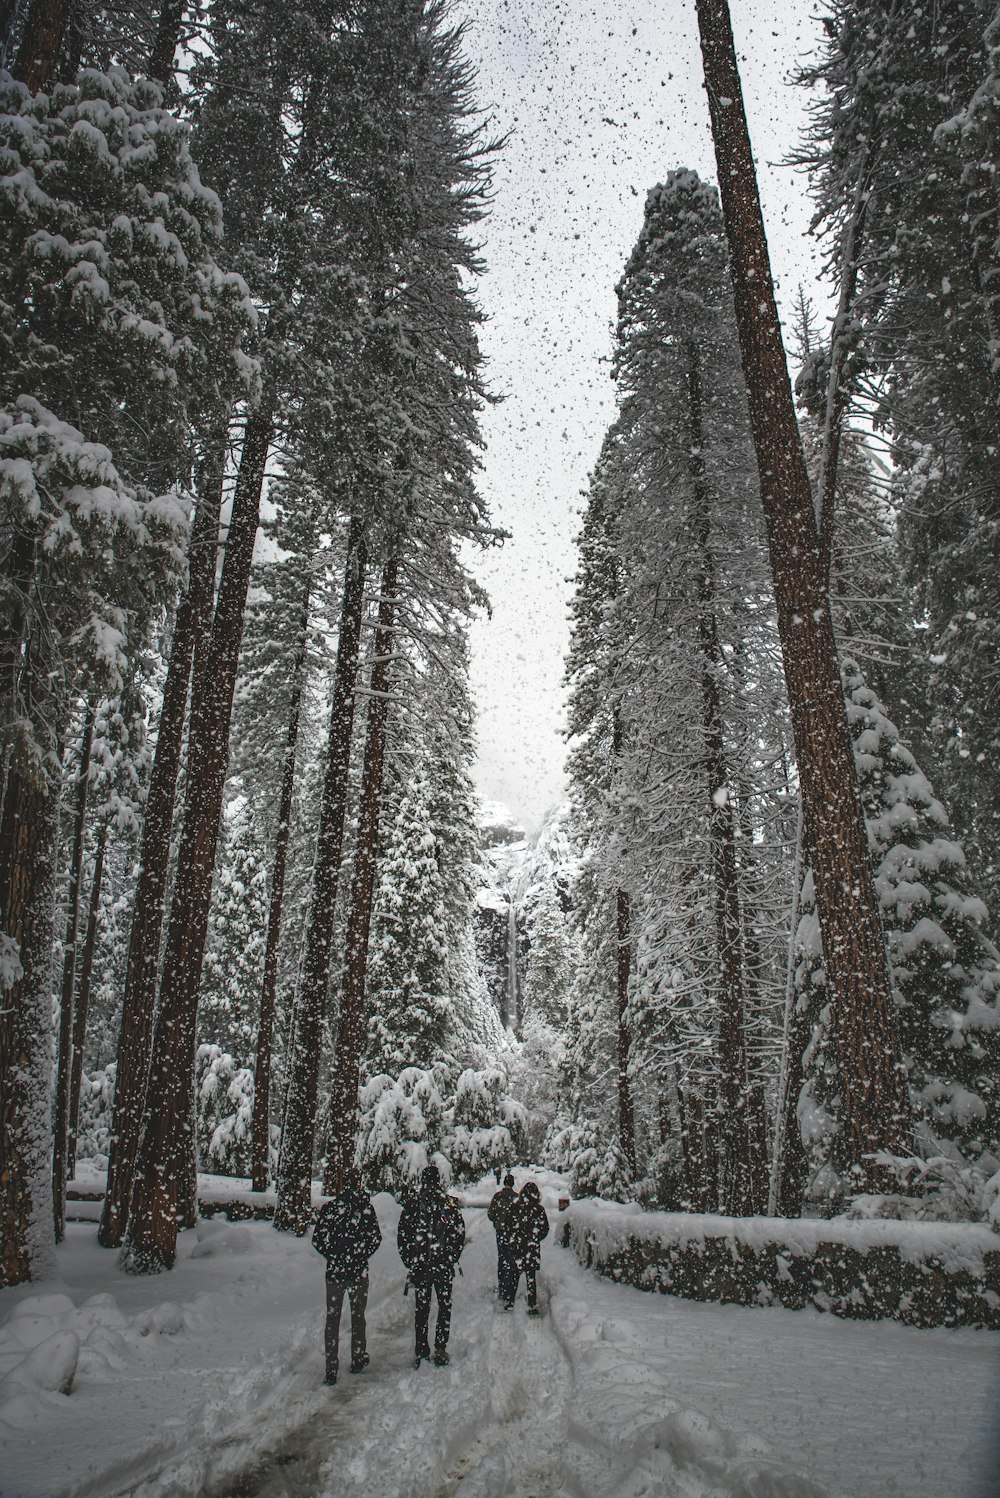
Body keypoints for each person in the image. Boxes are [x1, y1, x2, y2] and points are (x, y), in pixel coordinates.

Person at [311, 1171, 382, 1386]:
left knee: (332, 1319)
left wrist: (333, 1255)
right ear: (359, 1185)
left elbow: (318, 1239)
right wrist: (361, 1255)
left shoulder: (331, 1209)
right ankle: (358, 1357)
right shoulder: (365, 1209)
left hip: (335, 1272)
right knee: (357, 1316)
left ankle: (331, 1367)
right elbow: (376, 1238)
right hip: (358, 1272)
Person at [397, 1164, 466, 1367]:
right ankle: (440, 1347)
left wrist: (410, 1260)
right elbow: (459, 1232)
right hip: (442, 1265)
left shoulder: (413, 1204)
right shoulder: (448, 1204)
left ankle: (421, 1350)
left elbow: (403, 1235)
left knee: (422, 1309)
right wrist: (452, 1255)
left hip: (421, 1266)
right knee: (444, 1307)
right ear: (438, 1180)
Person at [506, 1180, 549, 1315]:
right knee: (531, 1276)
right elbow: (545, 1229)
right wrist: (535, 1238)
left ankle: (510, 1302)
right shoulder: (539, 1210)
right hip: (532, 1247)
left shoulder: (514, 1207)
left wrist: (515, 1237)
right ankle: (531, 1305)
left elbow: (508, 1225)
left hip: (517, 1246)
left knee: (514, 1274)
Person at [487, 1171, 517, 1305]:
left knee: (502, 1258)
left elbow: (491, 1214)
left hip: (500, 1231)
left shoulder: (498, 1196)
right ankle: (510, 1286)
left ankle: (502, 1287)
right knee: (511, 1259)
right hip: (512, 1233)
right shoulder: (517, 1198)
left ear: (504, 1183)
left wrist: (497, 1220)